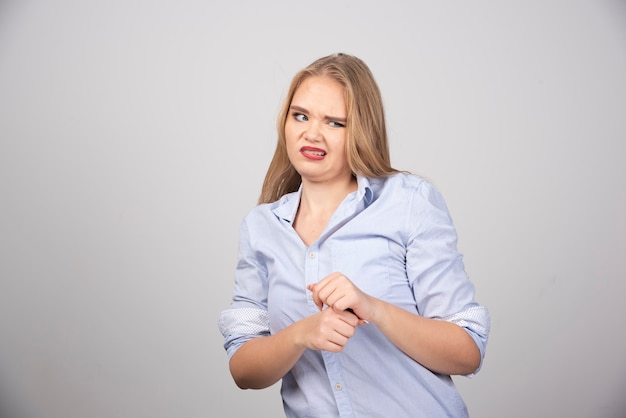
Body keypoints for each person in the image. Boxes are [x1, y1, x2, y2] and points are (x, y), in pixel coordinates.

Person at [218, 52, 490, 417]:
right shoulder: (261, 227)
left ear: (361, 129)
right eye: (301, 116)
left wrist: (373, 308)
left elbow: (466, 351)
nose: (311, 133)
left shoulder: (408, 202)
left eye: (335, 123)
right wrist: (302, 334)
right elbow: (243, 368)